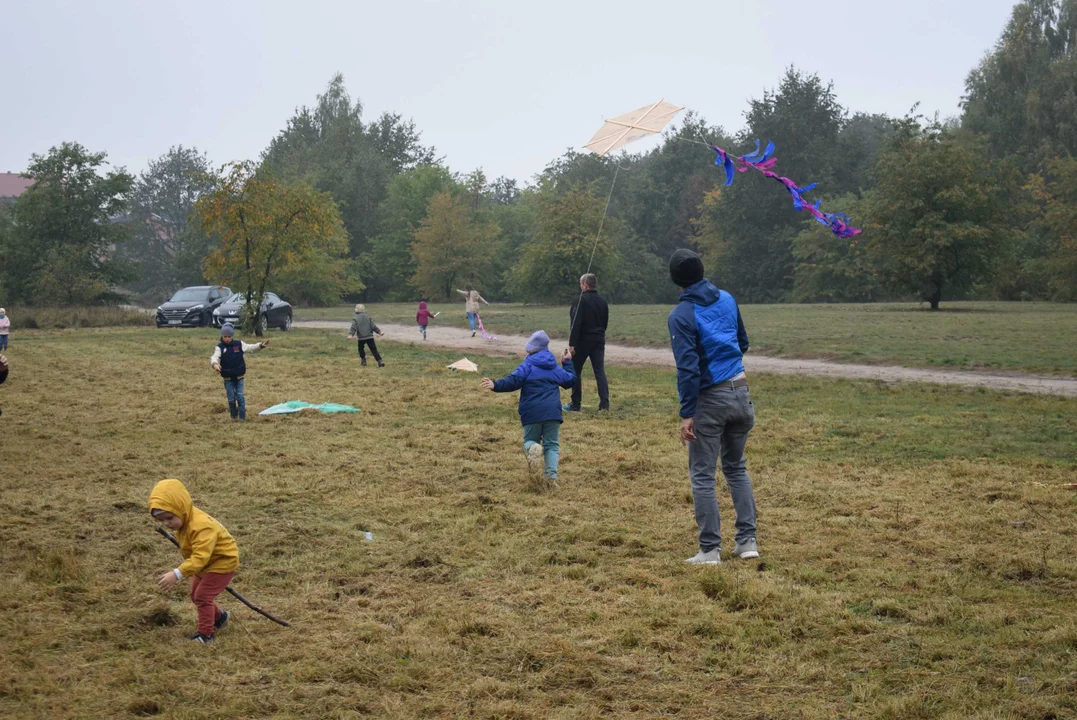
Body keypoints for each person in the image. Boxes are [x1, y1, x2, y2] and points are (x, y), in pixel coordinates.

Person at [667, 249, 759, 565]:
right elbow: (741, 342)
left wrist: (687, 413)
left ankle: (710, 550)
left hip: (711, 399)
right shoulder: (728, 299)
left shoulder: (681, 315)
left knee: (702, 475)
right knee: (736, 467)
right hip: (741, 392)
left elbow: (688, 368)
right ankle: (747, 542)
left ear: (674, 280)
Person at [149, 479, 240, 643]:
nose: (166, 524)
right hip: (205, 564)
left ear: (182, 509)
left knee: (203, 597)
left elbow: (200, 557)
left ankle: (205, 634)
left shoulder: (202, 526)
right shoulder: (184, 521)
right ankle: (219, 618)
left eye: (169, 518)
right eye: (161, 520)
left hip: (221, 562)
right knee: (195, 595)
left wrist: (177, 574)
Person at [481, 331, 576, 487]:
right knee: (552, 445)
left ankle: (533, 447)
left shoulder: (528, 365)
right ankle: (551, 479)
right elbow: (570, 380)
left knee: (529, 440)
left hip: (531, 412)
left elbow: (513, 380)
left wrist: (495, 385)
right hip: (553, 412)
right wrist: (567, 362)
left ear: (530, 349)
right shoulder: (553, 366)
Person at [565, 274, 609, 412]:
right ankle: (604, 405)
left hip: (582, 341)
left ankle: (575, 404)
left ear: (585, 285)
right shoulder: (603, 301)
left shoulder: (580, 301)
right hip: (599, 340)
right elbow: (605, 322)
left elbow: (575, 324)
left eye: (580, 284)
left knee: (576, 370)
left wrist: (572, 344)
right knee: (599, 371)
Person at [210, 323, 269, 421]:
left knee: (240, 396)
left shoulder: (239, 344)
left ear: (232, 336)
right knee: (231, 398)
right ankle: (233, 417)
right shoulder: (219, 347)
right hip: (228, 378)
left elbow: (251, 348)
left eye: (229, 336)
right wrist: (215, 364)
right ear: (222, 336)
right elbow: (215, 357)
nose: (227, 339)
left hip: (239, 377)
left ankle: (242, 418)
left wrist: (261, 345)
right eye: (225, 336)